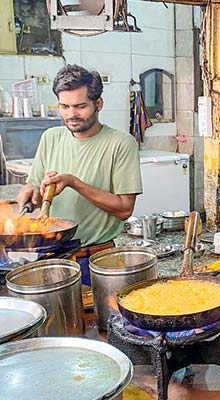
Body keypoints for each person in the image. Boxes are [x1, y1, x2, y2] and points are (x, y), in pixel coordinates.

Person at [17, 65, 142, 285]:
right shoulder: (50, 137)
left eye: (80, 106)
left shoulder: (121, 143)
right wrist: (31, 194)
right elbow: (34, 187)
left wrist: (73, 182)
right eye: (64, 106)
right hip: (49, 257)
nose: (71, 114)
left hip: (94, 259)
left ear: (98, 104)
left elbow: (124, 209)